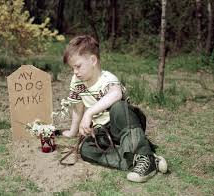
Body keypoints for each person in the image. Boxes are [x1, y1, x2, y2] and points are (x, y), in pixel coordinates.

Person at [62, 35, 167, 182]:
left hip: (125, 123)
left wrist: (89, 113)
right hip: (103, 132)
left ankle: (144, 157)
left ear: (93, 60)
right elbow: (78, 108)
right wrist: (73, 131)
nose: (75, 71)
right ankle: (142, 159)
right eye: (72, 68)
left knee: (118, 107)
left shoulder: (108, 79)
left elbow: (116, 94)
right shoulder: (76, 81)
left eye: (78, 66)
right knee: (85, 149)